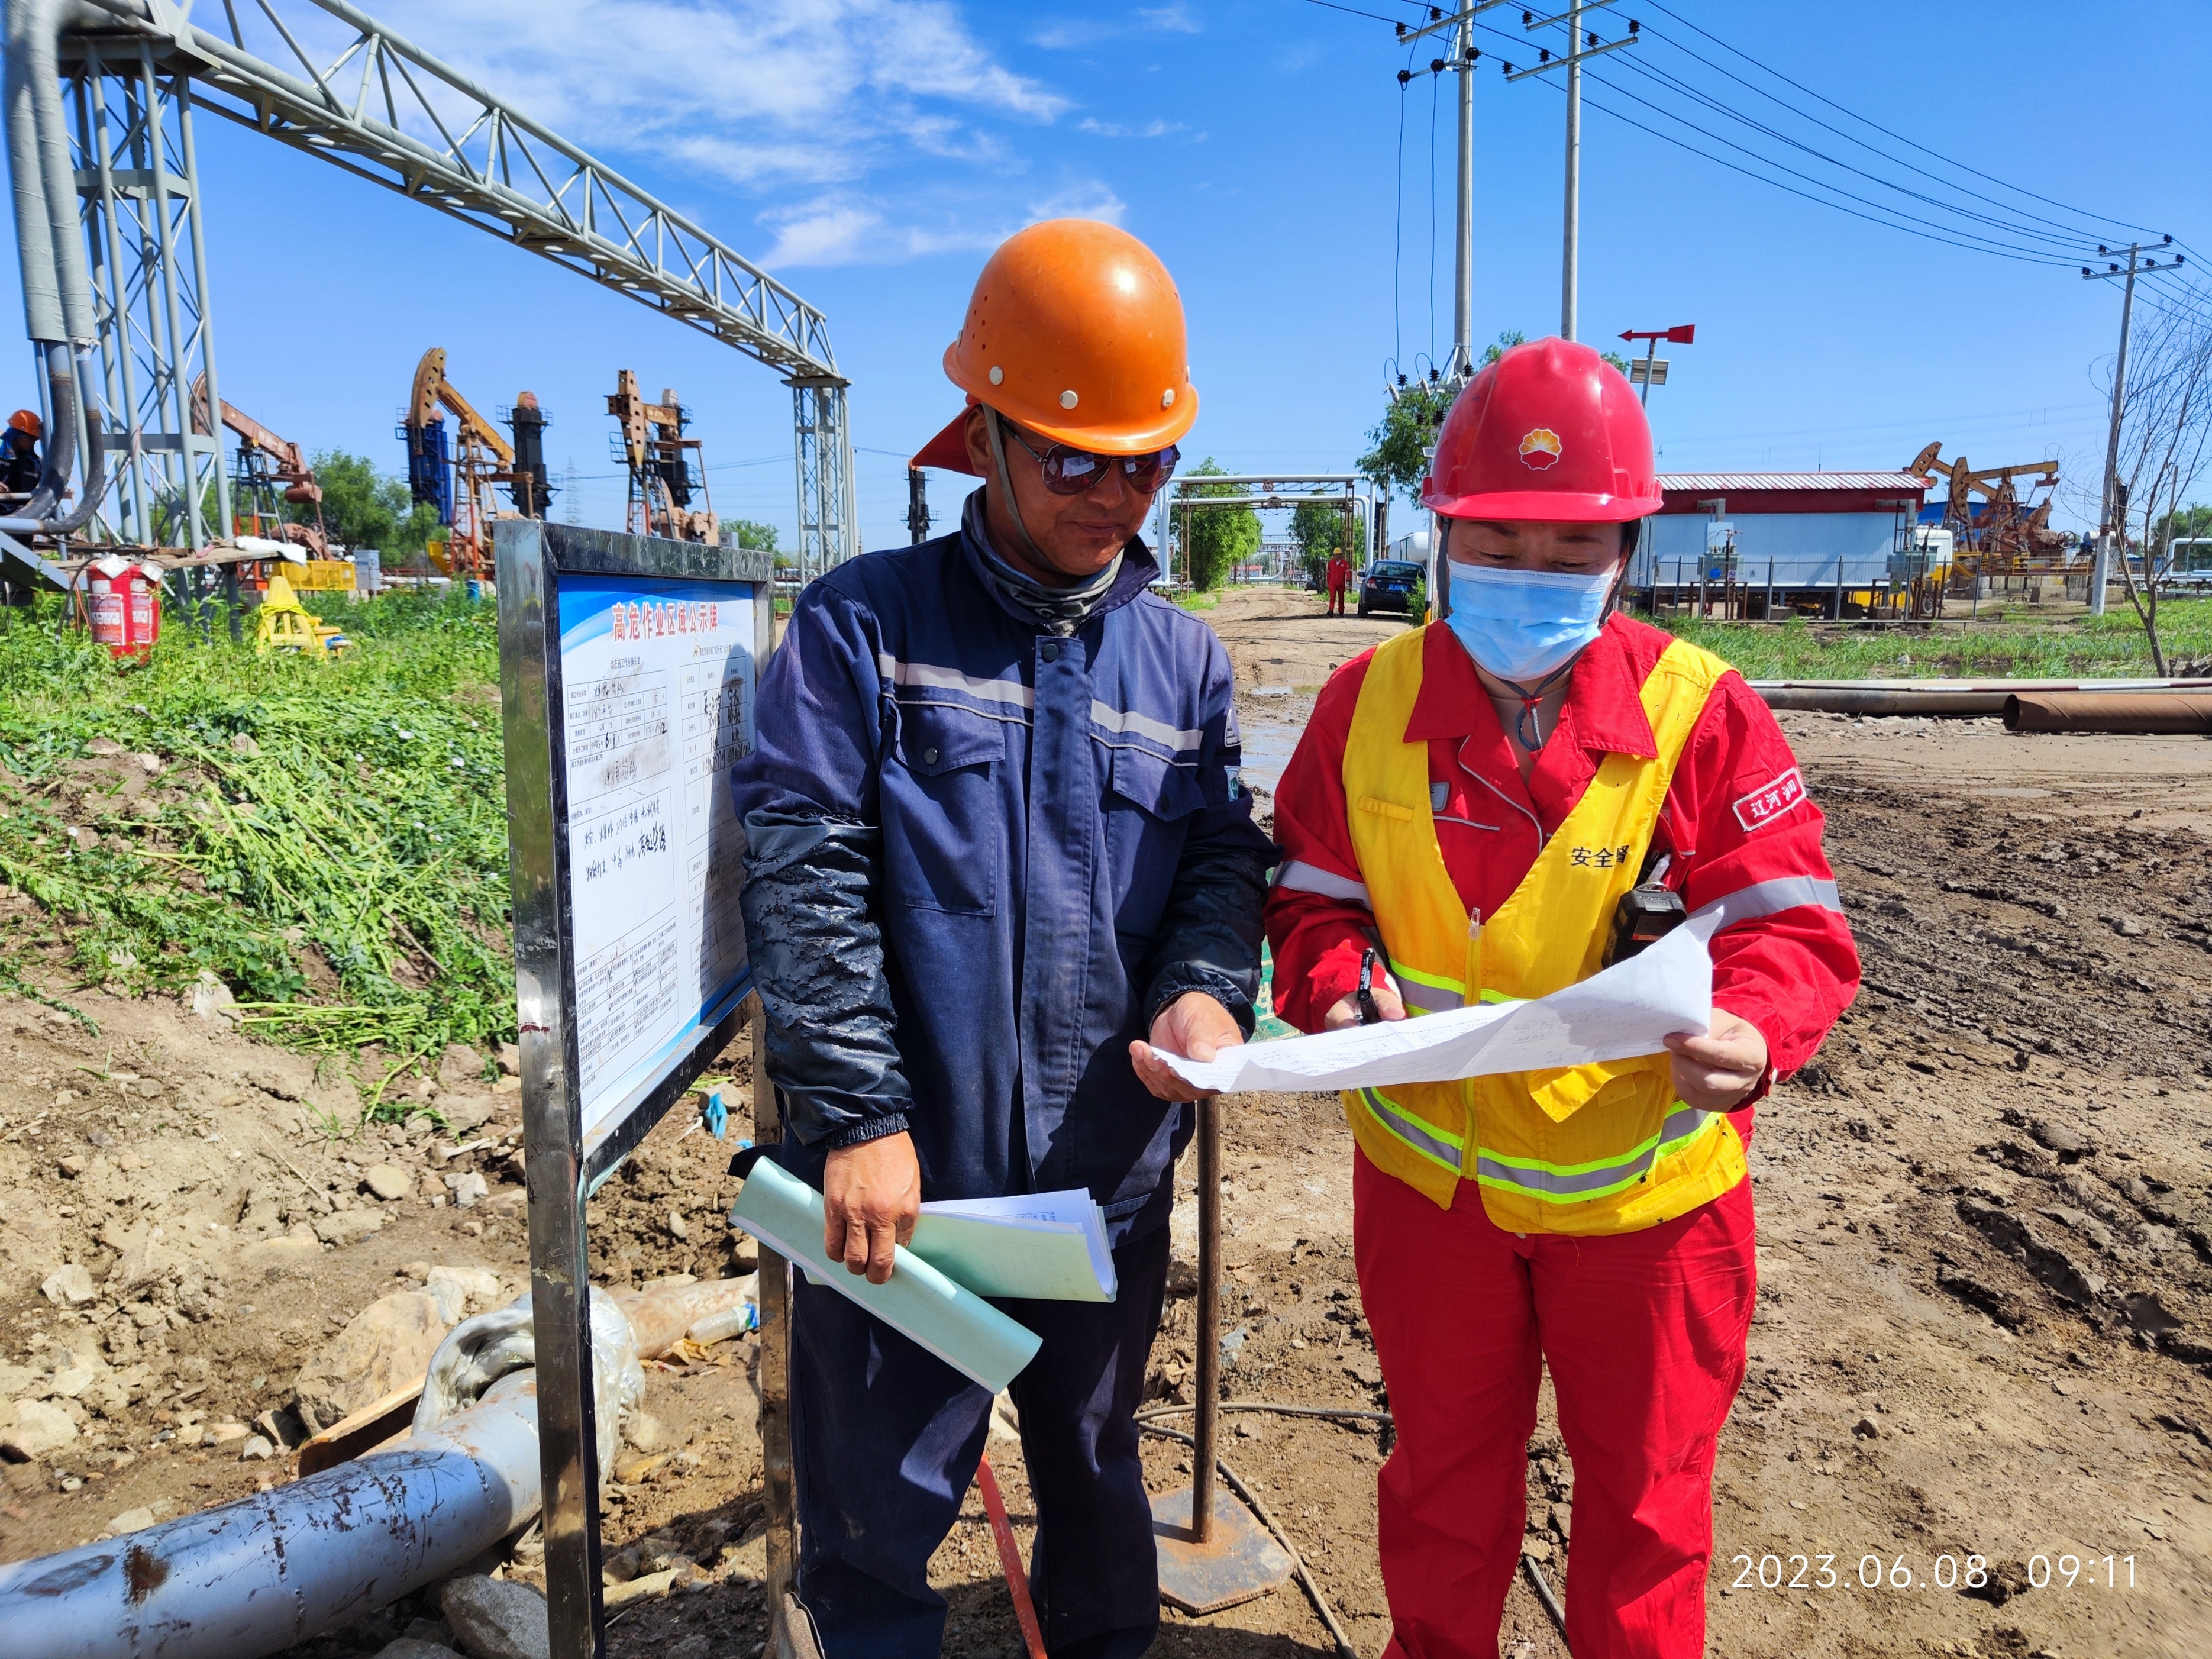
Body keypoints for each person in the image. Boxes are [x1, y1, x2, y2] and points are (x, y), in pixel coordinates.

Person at [1266, 337, 1859, 1659]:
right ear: (1442, 535)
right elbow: (1311, 898)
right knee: (1440, 1486)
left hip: (1644, 1210)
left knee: (1648, 1513)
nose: (1527, 583)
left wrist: (1755, 1028)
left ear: (1624, 558)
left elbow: (1794, 923)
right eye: (1496, 547)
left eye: (1565, 555)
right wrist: (1338, 990)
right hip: (1436, 1197)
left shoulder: (1701, 712)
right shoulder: (1364, 705)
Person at [731, 218, 1273, 1659]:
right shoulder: (867, 627)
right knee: (877, 1516)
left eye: (1145, 461)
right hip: (907, 1196)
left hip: (1103, 1185)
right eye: (1072, 458)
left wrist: (1211, 988)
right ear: (982, 434)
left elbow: (1221, 861)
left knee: (1098, 1487)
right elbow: (805, 865)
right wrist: (856, 1111)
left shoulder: (1184, 661)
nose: (1113, 495)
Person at [1, 409, 42, 498]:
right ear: (18, 435)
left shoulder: (34, 464)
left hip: (24, 509)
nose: (34, 442)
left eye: (36, 439)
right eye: (31, 438)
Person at [1326, 548, 1352, 615]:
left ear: (1341, 555)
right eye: (1336, 555)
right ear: (1334, 555)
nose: (1337, 556)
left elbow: (1348, 572)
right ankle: (1331, 610)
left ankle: (1341, 612)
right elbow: (1328, 574)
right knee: (1332, 597)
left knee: (1341, 598)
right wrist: (1328, 582)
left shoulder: (1345, 563)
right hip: (1333, 583)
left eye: (1338, 555)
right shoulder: (1331, 563)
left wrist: (1347, 580)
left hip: (1341, 583)